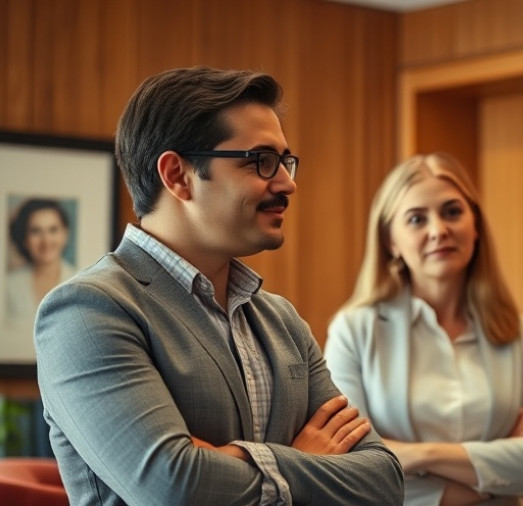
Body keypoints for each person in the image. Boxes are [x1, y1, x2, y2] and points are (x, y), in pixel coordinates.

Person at [34, 66, 403, 505]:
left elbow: (383, 481)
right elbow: (174, 488)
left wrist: (238, 461)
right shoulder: (87, 309)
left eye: (285, 161)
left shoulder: (282, 320)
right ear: (177, 175)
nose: (288, 182)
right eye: (261, 161)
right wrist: (303, 458)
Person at [324, 152, 523, 505]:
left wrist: (415, 455)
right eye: (417, 219)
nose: (439, 230)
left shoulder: (521, 335)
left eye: (452, 212)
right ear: (391, 241)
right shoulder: (355, 331)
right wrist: (492, 468)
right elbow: (348, 464)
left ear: (475, 225)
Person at [5, 198, 76, 332]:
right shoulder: (9, 285)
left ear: (65, 234)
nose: (46, 240)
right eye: (36, 231)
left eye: (53, 229)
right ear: (24, 238)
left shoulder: (82, 283)